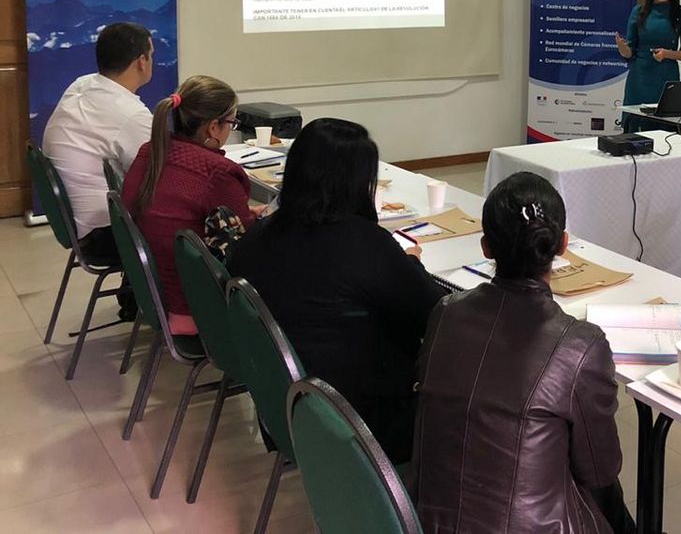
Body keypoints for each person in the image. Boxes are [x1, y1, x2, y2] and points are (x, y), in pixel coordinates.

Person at [411, 171, 633, 534]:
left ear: (486, 247)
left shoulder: (446, 312)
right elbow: (600, 469)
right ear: (563, 244)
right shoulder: (580, 346)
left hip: (425, 520)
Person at [227, 118, 446, 464]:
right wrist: (412, 265)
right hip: (361, 423)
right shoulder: (364, 243)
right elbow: (437, 313)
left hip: (286, 407)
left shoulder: (259, 236)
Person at [122, 75, 252, 335]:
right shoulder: (218, 173)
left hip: (153, 292)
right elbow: (248, 243)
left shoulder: (151, 151)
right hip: (193, 306)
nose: (231, 129)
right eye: (232, 123)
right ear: (213, 127)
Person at [42, 23, 154, 279]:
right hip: (105, 234)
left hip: (75, 224)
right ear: (141, 62)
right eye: (151, 55)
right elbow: (159, 175)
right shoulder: (130, 114)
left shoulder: (81, 85)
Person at [615, 0, 681, 130]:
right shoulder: (638, 11)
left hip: (666, 79)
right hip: (639, 79)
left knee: (666, 131)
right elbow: (630, 52)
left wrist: (667, 54)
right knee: (635, 132)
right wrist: (622, 48)